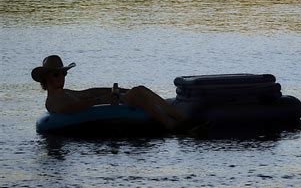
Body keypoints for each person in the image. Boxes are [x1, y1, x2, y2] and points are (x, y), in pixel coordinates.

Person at [31, 55, 191, 132]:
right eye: (56, 74)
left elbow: (88, 93)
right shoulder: (52, 101)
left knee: (137, 90)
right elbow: (73, 108)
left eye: (63, 74)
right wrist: (101, 99)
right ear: (46, 78)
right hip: (97, 114)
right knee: (136, 93)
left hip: (108, 104)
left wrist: (115, 91)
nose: (61, 77)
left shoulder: (65, 92)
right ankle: (172, 125)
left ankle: (181, 118)